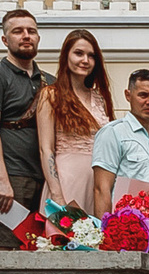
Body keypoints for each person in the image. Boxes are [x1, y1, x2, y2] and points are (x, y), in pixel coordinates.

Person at [0, 10, 51, 249]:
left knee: (41, 250)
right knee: (6, 251)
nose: (26, 36)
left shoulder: (49, 81)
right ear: (5, 40)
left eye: (31, 31)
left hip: (43, 181)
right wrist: (2, 182)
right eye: (18, 31)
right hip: (10, 180)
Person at [35, 27, 113, 212]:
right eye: (79, 53)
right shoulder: (51, 95)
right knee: (66, 238)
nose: (85, 60)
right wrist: (57, 195)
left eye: (91, 55)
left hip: (99, 182)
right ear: (66, 56)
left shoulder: (100, 98)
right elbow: (45, 149)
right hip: (67, 181)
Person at [92, 68, 149, 213]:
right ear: (128, 95)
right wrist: (105, 232)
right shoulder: (113, 133)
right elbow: (101, 190)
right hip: (124, 227)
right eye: (143, 95)